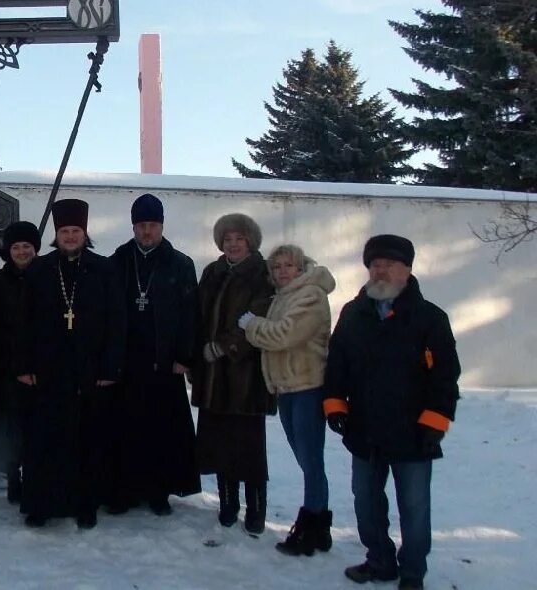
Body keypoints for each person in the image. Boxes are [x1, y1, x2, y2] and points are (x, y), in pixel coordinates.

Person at [324, 235, 460, 590]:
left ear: (407, 270)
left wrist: (435, 421)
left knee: (414, 509)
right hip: (364, 428)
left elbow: (445, 376)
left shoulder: (430, 318)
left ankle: (412, 573)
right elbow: (337, 363)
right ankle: (379, 560)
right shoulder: (354, 314)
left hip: (413, 432)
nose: (380, 271)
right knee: (366, 503)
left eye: (388, 264)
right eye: (374, 264)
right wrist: (335, 404)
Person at [16, 198, 124, 529]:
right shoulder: (39, 269)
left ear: (85, 232)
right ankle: (40, 505)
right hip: (47, 371)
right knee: (44, 440)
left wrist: (110, 367)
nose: (70, 236)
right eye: (65, 231)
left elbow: (117, 323)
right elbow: (23, 322)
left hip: (89, 371)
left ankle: (85, 505)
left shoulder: (104, 269)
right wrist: (23, 365)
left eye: (76, 230)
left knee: (87, 440)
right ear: (56, 234)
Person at [106, 194, 199, 516]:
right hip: (127, 360)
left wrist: (185, 356)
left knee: (161, 431)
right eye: (141, 225)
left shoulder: (180, 264)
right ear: (134, 227)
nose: (147, 232)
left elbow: (191, 315)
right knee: (125, 428)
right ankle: (126, 490)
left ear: (162, 226)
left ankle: (159, 491)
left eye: (153, 225)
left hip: (164, 360)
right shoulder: (118, 260)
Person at [241, 244, 336, 555]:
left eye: (288, 265)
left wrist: (251, 325)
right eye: (277, 266)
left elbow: (283, 335)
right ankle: (318, 526)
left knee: (311, 460)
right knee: (305, 459)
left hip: (307, 386)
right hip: (288, 387)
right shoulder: (285, 297)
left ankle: (312, 526)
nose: (282, 271)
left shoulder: (311, 296)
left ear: (301, 267)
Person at [192, 212, 274, 535]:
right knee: (221, 444)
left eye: (239, 238)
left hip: (245, 375)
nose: (233, 244)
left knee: (249, 447)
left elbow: (260, 315)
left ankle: (256, 509)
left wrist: (225, 346)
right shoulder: (213, 271)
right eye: (227, 239)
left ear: (250, 241)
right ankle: (228, 503)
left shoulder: (261, 274)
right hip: (213, 376)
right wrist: (198, 351)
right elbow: (198, 313)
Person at [0, 220, 41, 504]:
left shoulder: (47, 274)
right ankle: (13, 478)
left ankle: (36, 477)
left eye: (26, 246)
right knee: (12, 428)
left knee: (38, 427)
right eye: (16, 247)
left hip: (42, 367)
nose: (21, 252)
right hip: (9, 366)